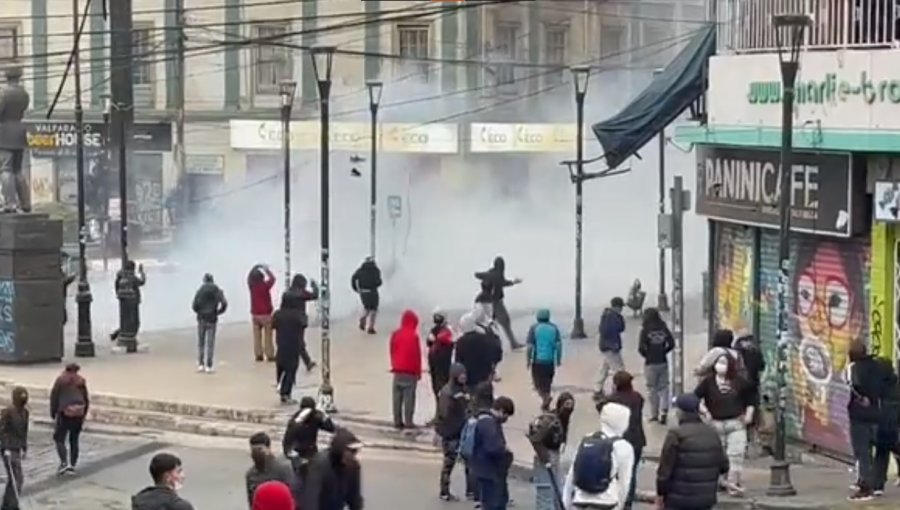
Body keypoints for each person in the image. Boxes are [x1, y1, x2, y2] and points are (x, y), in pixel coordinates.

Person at [693, 351, 754, 496]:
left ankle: (732, 484)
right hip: (715, 424)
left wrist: (749, 415)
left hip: (736, 424)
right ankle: (718, 482)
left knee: (736, 455)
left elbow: (751, 399)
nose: (720, 366)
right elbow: (694, 398)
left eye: (724, 363)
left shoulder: (740, 382)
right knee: (716, 456)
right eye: (718, 362)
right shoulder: (708, 382)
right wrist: (704, 411)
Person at [655, 394, 729, 510]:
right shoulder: (712, 433)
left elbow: (665, 471)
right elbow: (724, 466)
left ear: (680, 412)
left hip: (677, 500)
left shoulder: (676, 434)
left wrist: (660, 496)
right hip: (705, 500)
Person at [846, 339, 898, 501]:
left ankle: (866, 487)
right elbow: (891, 382)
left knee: (863, 452)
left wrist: (864, 399)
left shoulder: (853, 369)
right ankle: (877, 485)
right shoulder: (880, 366)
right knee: (884, 447)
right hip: (882, 415)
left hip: (861, 417)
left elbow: (853, 386)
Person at [562, 401, 634, 510]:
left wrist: (566, 503)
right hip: (607, 502)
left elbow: (572, 475)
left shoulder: (587, 439)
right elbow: (624, 484)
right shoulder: (624, 447)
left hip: (580, 501)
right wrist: (620, 506)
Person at [600, 371, 646, 510]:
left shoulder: (612, 399)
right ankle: (627, 502)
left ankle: (616, 500)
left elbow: (600, 407)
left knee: (615, 472)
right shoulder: (637, 398)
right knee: (630, 472)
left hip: (618, 441)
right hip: (636, 440)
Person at [527, 392, 575, 510]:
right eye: (567, 404)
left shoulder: (562, 419)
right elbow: (536, 440)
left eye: (571, 405)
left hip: (554, 455)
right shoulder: (550, 421)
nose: (569, 408)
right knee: (545, 490)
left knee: (558, 488)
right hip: (546, 456)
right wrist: (545, 458)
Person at [469, 396, 515, 510]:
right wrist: (506, 452)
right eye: (506, 415)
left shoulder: (484, 419)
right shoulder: (489, 424)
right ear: (501, 410)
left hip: (484, 469)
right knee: (493, 504)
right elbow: (493, 447)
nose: (506, 419)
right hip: (490, 472)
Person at [301, 427, 364, 510]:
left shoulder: (353, 467)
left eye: (355, 451)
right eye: (349, 451)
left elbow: (354, 499)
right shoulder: (320, 464)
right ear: (340, 450)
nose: (352, 455)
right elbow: (310, 499)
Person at [435, 363, 469, 501]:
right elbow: (443, 413)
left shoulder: (462, 390)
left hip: (461, 430)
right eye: (461, 374)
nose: (463, 377)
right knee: (449, 462)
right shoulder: (448, 392)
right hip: (451, 432)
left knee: (468, 461)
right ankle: (444, 491)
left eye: (464, 374)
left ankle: (471, 490)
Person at [474, 256, 524, 350]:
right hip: (495, 303)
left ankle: (483, 346)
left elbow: (477, 275)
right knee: (505, 322)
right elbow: (503, 282)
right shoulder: (498, 275)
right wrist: (514, 281)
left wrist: (483, 276)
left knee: (484, 324)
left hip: (482, 301)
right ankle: (513, 344)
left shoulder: (490, 274)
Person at [282, 396, 336, 480]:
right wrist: (294, 456)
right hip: (298, 453)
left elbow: (331, 428)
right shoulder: (296, 420)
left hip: (311, 451)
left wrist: (324, 415)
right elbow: (287, 441)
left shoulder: (315, 418)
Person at [0, 66, 31, 212]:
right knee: (18, 170)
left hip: (5, 133)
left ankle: (10, 203)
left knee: (6, 169)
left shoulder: (3, 93)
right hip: (20, 131)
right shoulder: (24, 94)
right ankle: (25, 203)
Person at [49, 363, 89, 475]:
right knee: (74, 439)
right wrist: (84, 414)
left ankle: (63, 462)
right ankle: (72, 464)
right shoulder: (81, 381)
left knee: (59, 437)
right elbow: (86, 399)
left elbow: (54, 396)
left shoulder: (60, 380)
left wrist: (53, 412)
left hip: (64, 413)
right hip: (78, 414)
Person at [638, 308, 675, 424]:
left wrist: (647, 355)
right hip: (662, 361)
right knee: (664, 386)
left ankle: (654, 414)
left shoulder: (645, 330)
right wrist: (664, 351)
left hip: (650, 362)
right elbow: (672, 344)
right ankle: (664, 410)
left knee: (651, 388)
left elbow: (640, 348)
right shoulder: (663, 328)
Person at [390, 309, 423, 430]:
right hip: (410, 372)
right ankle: (409, 422)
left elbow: (392, 350)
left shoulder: (396, 334)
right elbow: (417, 356)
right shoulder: (414, 336)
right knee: (409, 398)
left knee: (397, 397)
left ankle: (397, 421)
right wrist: (418, 372)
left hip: (397, 370)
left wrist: (394, 364)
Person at [245, 432, 296, 508]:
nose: (256, 453)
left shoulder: (283, 469)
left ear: (268, 448)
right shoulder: (251, 475)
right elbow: (252, 503)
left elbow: (292, 497)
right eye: (253, 450)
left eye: (260, 449)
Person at [455, 312, 503, 393]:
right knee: (486, 399)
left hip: (468, 380)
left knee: (471, 402)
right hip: (485, 377)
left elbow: (458, 362)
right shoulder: (484, 339)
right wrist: (493, 367)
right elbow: (497, 353)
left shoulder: (460, 342)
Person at [273, 294, 308, 404]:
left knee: (281, 367)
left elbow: (273, 325)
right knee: (291, 370)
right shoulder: (297, 314)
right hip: (293, 345)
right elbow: (304, 324)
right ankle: (286, 394)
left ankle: (280, 386)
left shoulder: (278, 314)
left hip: (281, 344)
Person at [526, 308, 562, 411]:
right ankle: (546, 402)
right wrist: (558, 360)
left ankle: (545, 398)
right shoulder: (554, 328)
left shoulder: (534, 328)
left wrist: (528, 360)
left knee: (538, 384)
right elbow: (558, 346)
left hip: (538, 362)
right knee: (547, 384)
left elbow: (529, 347)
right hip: (550, 362)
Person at [191, 273, 228, 373]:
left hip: (202, 318)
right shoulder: (217, 290)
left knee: (201, 343)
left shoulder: (200, 290)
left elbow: (194, 305)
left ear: (204, 280)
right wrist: (218, 312)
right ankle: (209, 366)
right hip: (212, 318)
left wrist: (199, 312)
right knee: (210, 343)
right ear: (212, 280)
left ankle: (200, 364)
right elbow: (224, 303)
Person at [282, 274, 319, 372]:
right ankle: (307, 362)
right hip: (298, 321)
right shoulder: (301, 293)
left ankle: (293, 362)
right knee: (299, 342)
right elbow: (315, 296)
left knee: (289, 341)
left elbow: (282, 308)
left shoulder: (286, 293)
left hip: (286, 321)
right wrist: (315, 286)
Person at [0, 386, 28, 510]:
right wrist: (5, 448)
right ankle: (12, 505)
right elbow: (2, 430)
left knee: (14, 478)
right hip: (8, 448)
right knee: (17, 477)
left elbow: (24, 431)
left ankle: (7, 504)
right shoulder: (8, 412)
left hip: (17, 447)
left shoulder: (25, 412)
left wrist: (24, 447)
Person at [427, 309, 455, 425]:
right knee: (436, 390)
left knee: (442, 391)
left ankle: (443, 416)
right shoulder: (434, 330)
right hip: (435, 365)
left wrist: (436, 338)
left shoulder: (448, 331)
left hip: (443, 366)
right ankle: (439, 415)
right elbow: (428, 342)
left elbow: (449, 343)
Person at [596, 297, 626, 398]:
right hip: (611, 346)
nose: (622, 309)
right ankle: (617, 390)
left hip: (605, 345)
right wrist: (614, 345)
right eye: (621, 307)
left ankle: (598, 388)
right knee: (618, 369)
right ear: (617, 307)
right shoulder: (613, 317)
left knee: (604, 368)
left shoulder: (606, 315)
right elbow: (619, 328)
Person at [111, 260, 146, 342]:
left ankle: (116, 334)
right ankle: (130, 338)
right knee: (135, 323)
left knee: (126, 321)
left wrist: (119, 295)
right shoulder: (131, 277)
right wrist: (142, 272)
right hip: (133, 302)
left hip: (124, 302)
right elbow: (142, 281)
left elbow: (116, 286)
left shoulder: (121, 277)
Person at [248, 264, 277, 362]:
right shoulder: (265, 286)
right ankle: (269, 355)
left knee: (257, 337)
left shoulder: (252, 286)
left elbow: (248, 277)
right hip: (266, 315)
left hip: (255, 315)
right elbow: (273, 278)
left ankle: (258, 355)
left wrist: (256, 266)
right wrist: (266, 269)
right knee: (268, 337)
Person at [351, 257, 382, 334]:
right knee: (374, 309)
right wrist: (378, 283)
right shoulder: (376, 270)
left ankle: (363, 317)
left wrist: (356, 288)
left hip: (363, 292)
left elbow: (353, 278)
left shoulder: (360, 270)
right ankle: (371, 327)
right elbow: (378, 282)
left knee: (367, 307)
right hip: (373, 291)